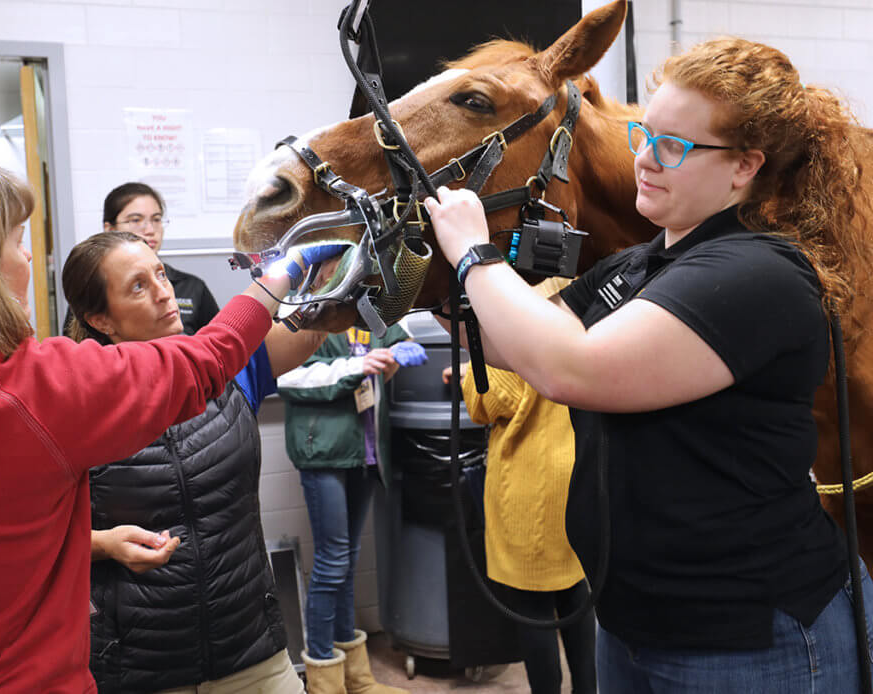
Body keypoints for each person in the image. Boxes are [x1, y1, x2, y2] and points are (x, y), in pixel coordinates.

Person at [424, 38, 873, 693]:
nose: (644, 159)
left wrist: (471, 253)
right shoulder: (640, 265)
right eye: (646, 134)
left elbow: (567, 368)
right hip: (637, 621)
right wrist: (414, 271)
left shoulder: (759, 272)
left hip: (752, 637)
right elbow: (504, 342)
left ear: (745, 166)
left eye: (674, 146)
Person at [0, 154, 315, 693]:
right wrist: (283, 273)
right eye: (18, 241)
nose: (29, 259)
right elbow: (205, 361)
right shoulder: (32, 393)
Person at [63, 230, 333, 694]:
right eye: (137, 286)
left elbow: (314, 324)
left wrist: (341, 262)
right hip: (142, 665)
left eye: (160, 273)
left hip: (252, 650)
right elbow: (29, 536)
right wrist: (104, 543)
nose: (164, 291)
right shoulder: (77, 408)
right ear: (100, 319)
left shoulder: (225, 367)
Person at [443, 278, 596, 694]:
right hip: (576, 469)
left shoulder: (511, 308)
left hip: (533, 484)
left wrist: (469, 375)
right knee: (576, 600)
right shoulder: (574, 287)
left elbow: (489, 402)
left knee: (534, 610)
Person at [277, 328, 426, 694]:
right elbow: (287, 377)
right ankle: (325, 683)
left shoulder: (368, 309)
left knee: (346, 561)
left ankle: (357, 679)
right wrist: (357, 365)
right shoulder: (303, 312)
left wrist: (399, 352)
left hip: (364, 452)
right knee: (332, 564)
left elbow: (400, 338)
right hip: (323, 453)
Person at [63, 181, 219, 338]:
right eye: (136, 220)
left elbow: (217, 344)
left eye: (156, 219)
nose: (149, 230)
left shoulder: (193, 286)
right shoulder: (92, 287)